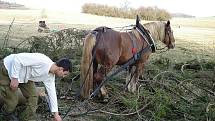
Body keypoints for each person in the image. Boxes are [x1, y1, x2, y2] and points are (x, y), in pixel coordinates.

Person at [0, 53, 71, 121]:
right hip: (8, 69)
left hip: (25, 77)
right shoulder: (42, 60)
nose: (63, 76)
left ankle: (26, 118)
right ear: (61, 69)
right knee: (12, 102)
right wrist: (14, 78)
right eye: (64, 74)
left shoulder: (50, 76)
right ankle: (5, 115)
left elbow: (52, 93)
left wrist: (56, 114)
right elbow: (17, 59)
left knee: (33, 96)